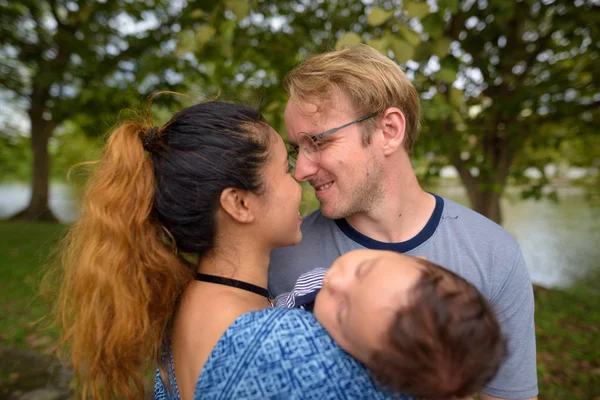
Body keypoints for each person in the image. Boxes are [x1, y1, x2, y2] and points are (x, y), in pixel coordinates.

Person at [47, 100, 416, 400]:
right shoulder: (285, 344)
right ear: (238, 203)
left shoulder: (181, 313)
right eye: (285, 170)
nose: (301, 176)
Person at [269, 44, 539, 400]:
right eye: (296, 149)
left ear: (390, 130)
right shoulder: (279, 251)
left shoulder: (493, 253)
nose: (301, 170)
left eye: (318, 141)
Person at [278, 249, 506, 399]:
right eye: (361, 270)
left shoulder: (298, 340)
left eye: (342, 311)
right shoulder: (367, 296)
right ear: (417, 259)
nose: (334, 281)